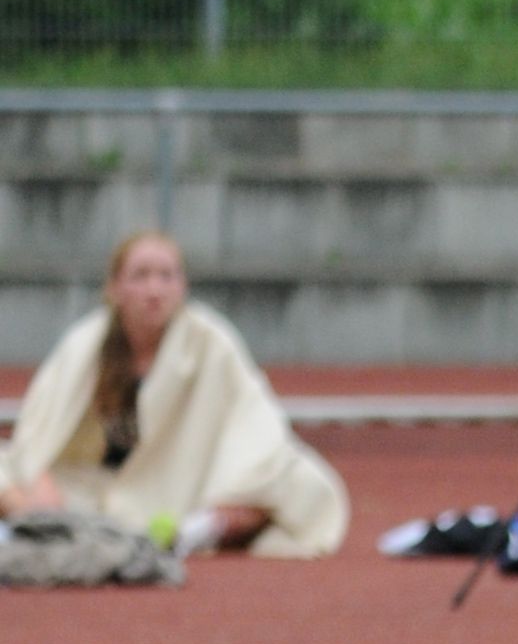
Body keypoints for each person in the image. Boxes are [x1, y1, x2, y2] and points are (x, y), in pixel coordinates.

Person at [0, 233, 348, 558]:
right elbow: (37, 436)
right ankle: (43, 526)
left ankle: (194, 531)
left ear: (183, 286)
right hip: (86, 487)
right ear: (115, 288)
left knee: (301, 480)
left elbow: (254, 422)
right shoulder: (85, 344)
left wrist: (238, 489)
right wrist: (39, 485)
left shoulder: (211, 341)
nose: (155, 289)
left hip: (184, 489)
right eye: (140, 276)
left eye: (167, 276)